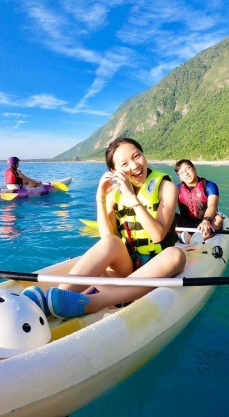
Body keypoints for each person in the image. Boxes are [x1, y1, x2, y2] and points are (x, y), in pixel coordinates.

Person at [23, 137, 186, 319]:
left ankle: (95, 302)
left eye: (137, 156)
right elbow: (108, 239)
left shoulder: (166, 187)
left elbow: (157, 235)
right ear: (114, 171)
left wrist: (131, 197)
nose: (134, 165)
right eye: (124, 164)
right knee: (110, 242)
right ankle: (58, 297)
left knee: (176, 255)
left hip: (156, 267)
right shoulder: (114, 194)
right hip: (127, 267)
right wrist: (100, 199)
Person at [174, 159, 224, 242]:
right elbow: (170, 207)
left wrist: (206, 220)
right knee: (171, 216)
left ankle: (197, 240)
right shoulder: (176, 189)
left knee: (218, 219)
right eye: (181, 172)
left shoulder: (209, 186)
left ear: (194, 168)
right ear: (179, 176)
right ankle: (180, 236)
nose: (186, 173)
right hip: (186, 223)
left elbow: (212, 205)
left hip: (206, 222)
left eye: (187, 169)